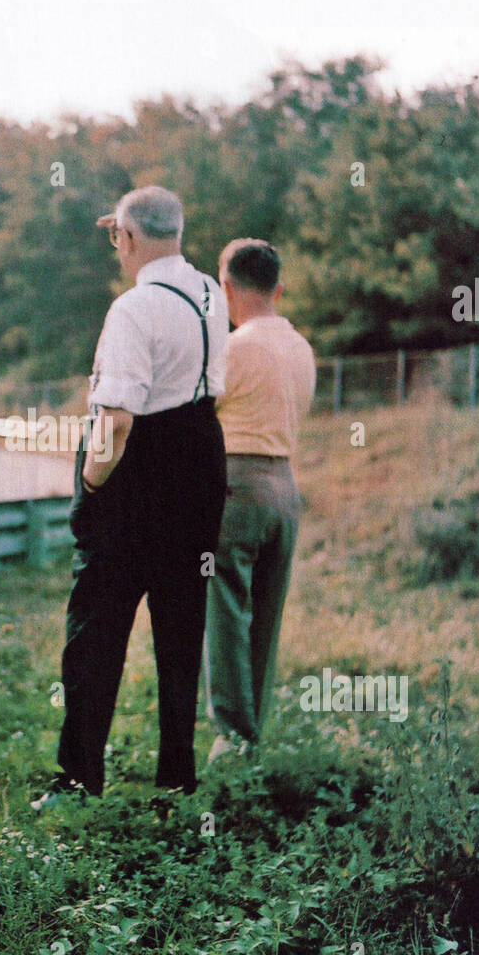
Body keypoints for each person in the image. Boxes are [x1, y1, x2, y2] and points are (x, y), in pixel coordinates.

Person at [34, 186, 227, 806]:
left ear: (129, 236)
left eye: (114, 236)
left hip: (139, 472)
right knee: (180, 626)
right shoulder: (210, 293)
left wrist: (91, 485)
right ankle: (177, 780)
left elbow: (115, 422)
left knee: (95, 626)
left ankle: (79, 780)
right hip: (201, 459)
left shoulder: (133, 308)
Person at [203, 238, 316, 759]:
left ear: (226, 286)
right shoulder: (302, 348)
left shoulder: (234, 347)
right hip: (285, 486)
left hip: (238, 483)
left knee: (225, 607)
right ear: (280, 288)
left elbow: (202, 417)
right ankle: (254, 732)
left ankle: (232, 732)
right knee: (266, 614)